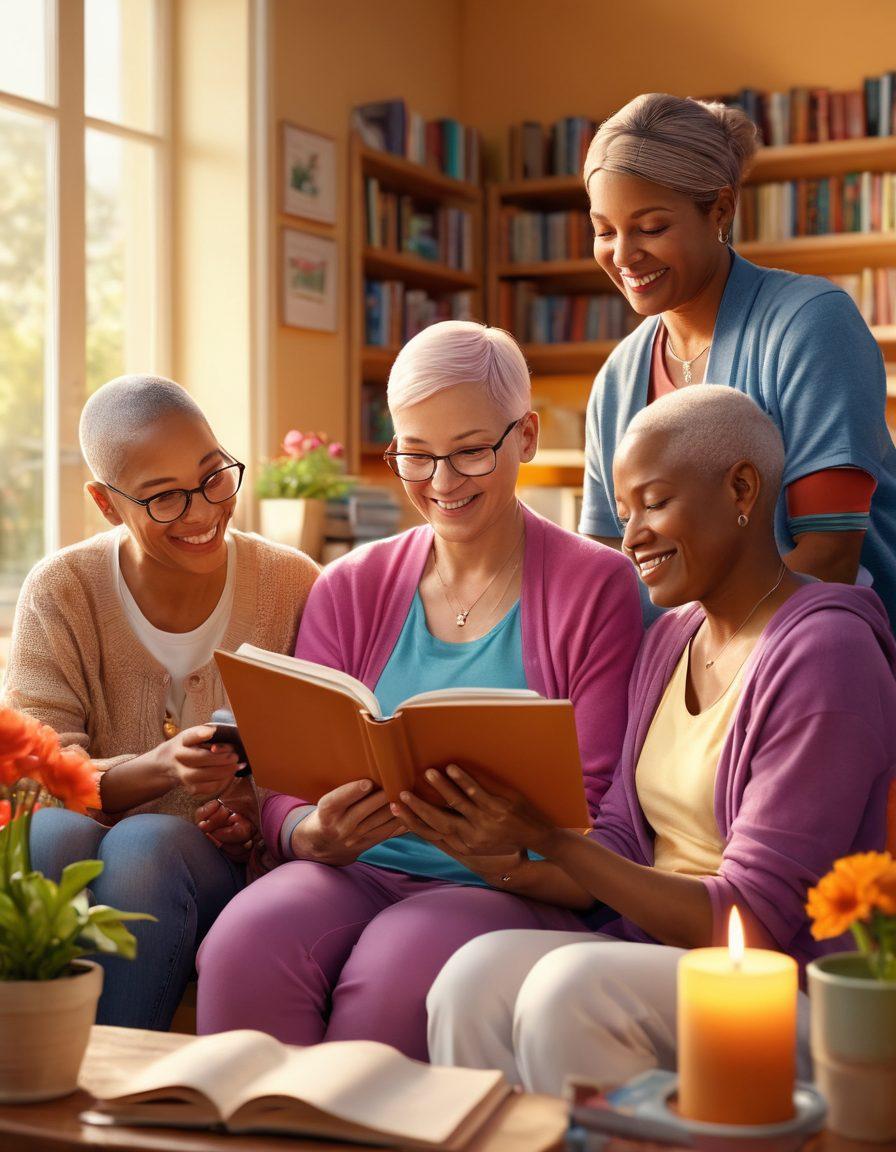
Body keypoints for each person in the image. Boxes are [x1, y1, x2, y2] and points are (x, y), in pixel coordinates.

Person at [426, 386, 896, 1093]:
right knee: (471, 977)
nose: (631, 538)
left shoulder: (828, 652)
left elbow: (753, 921)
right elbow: (618, 841)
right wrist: (497, 851)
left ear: (741, 488)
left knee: (570, 989)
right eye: (623, 515)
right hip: (656, 955)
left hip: (781, 990)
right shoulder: (672, 638)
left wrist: (552, 840)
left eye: (654, 503)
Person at [196, 320, 643, 1059]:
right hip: (356, 870)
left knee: (393, 973)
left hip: (510, 889)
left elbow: (600, 818)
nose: (441, 482)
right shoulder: (350, 585)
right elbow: (282, 785)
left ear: (526, 437)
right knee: (244, 941)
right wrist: (311, 833)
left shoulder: (597, 588)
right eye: (416, 453)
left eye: (470, 451)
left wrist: (506, 855)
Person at [2, 375, 318, 1029]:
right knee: (49, 833)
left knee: (147, 847)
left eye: (213, 477)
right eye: (164, 497)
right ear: (106, 503)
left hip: (222, 876)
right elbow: (34, 780)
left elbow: (322, 765)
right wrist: (161, 768)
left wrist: (248, 814)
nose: (201, 513)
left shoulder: (292, 585)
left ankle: (115, 1079)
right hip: (84, 846)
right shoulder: (63, 589)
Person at [578, 92, 896, 628]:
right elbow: (609, 575)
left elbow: (829, 558)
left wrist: (694, 661)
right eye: (605, 231)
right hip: (685, 672)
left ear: (721, 209)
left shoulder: (811, 324)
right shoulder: (617, 380)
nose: (624, 255)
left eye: (651, 227)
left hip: (829, 652)